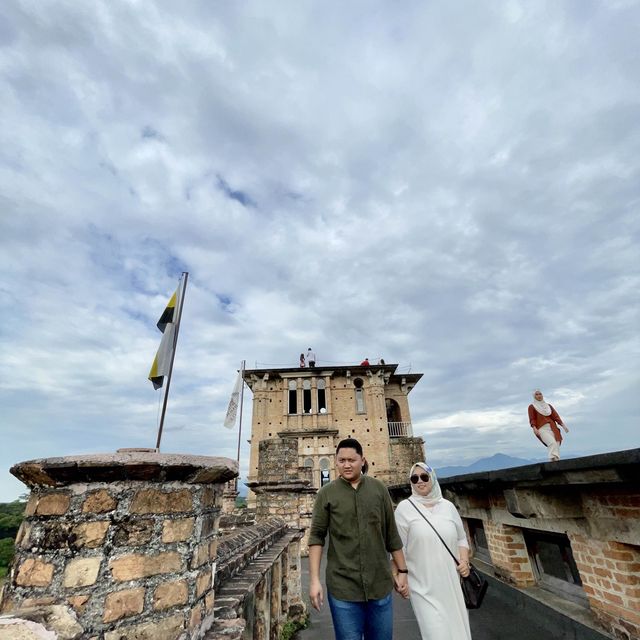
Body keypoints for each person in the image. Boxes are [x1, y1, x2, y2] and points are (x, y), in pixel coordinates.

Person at [308, 438, 409, 640]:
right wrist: (314, 580)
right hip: (343, 587)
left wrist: (403, 571)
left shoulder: (378, 489)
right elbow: (316, 537)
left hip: (379, 584)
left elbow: (391, 534)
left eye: (351, 460)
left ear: (362, 460)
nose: (346, 465)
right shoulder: (326, 494)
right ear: (335, 462)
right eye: (342, 460)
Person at [394, 463, 472, 640]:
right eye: (415, 478)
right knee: (436, 633)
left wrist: (464, 561)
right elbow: (398, 548)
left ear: (433, 478)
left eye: (424, 477)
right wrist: (399, 575)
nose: (420, 481)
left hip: (452, 582)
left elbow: (461, 538)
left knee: (458, 632)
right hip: (422, 585)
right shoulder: (404, 509)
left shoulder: (448, 507)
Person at [528, 389, 569, 461]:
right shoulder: (532, 406)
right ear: (534, 396)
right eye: (536, 394)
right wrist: (534, 428)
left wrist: (563, 425)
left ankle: (556, 460)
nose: (539, 396)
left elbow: (555, 416)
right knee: (552, 443)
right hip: (542, 428)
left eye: (540, 394)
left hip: (553, 427)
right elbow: (532, 418)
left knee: (557, 443)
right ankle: (552, 458)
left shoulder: (548, 406)